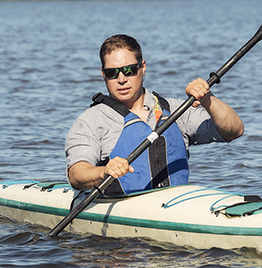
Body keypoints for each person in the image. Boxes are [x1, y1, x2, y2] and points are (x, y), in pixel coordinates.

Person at [65, 33, 243, 195]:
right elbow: (76, 174)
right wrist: (103, 172)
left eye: (129, 70)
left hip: (175, 205)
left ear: (142, 67)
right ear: (103, 75)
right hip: (120, 208)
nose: (121, 79)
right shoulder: (90, 121)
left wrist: (208, 99)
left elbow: (233, 131)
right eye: (112, 73)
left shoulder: (176, 110)